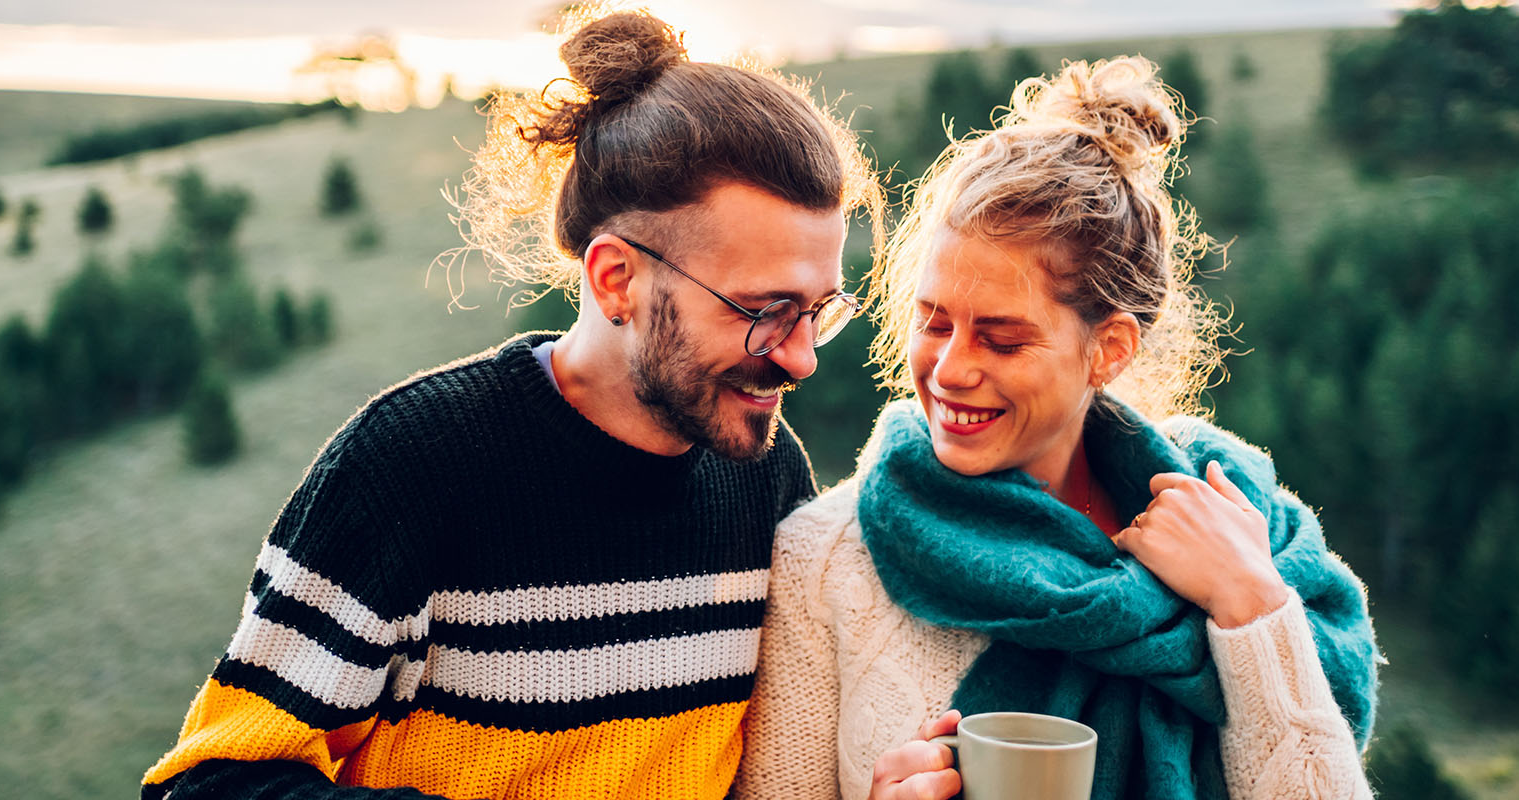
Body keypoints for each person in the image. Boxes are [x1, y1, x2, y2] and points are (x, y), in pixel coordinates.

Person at [140, 10, 879, 800]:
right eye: (763, 311)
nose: (798, 357)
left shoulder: (765, 479)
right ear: (616, 279)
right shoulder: (414, 464)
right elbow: (210, 784)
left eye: (818, 311)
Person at [732, 57, 1379, 800]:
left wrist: (1251, 603)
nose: (948, 371)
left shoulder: (1245, 531)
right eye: (934, 323)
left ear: (1109, 349)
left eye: (1001, 339)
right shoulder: (829, 560)